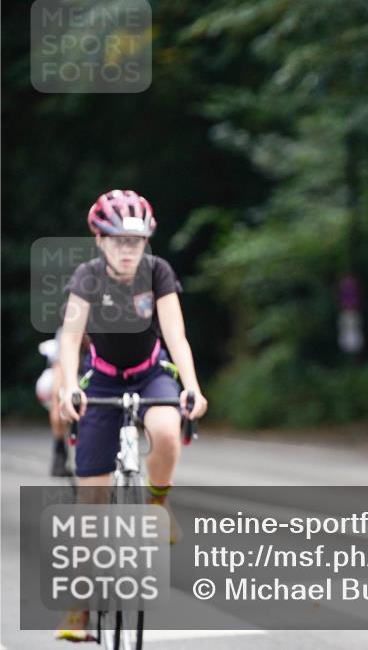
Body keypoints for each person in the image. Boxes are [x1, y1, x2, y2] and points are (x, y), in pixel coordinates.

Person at [55, 189, 208, 642]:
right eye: (118, 240)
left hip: (150, 374)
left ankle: (158, 505)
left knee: (164, 428)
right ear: (99, 239)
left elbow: (176, 336)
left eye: (136, 241)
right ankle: (80, 608)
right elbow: (68, 339)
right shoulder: (86, 276)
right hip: (101, 379)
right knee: (91, 503)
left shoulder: (157, 272)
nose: (127, 249)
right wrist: (66, 387)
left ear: (146, 242)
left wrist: (192, 385)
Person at [36, 330, 71, 476]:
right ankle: (59, 451)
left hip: (89, 375)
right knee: (54, 390)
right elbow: (58, 372)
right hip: (61, 377)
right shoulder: (66, 333)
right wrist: (58, 405)